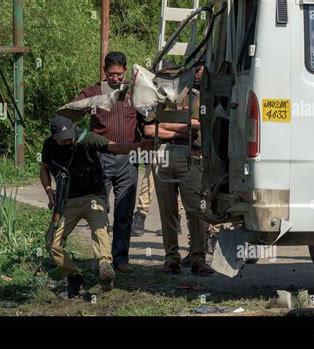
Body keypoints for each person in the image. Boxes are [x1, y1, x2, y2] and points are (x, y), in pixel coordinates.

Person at [40, 116, 152, 298]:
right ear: (54, 138)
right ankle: (74, 277)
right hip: (67, 201)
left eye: (70, 136)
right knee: (53, 243)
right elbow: (44, 169)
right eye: (64, 139)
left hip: (93, 197)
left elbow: (115, 147)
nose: (69, 140)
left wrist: (139, 146)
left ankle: (104, 267)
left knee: (100, 230)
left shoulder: (87, 138)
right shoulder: (49, 146)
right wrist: (48, 190)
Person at [71, 51, 144, 273]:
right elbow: (71, 109)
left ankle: (120, 259)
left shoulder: (134, 93)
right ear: (105, 72)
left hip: (128, 160)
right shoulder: (95, 91)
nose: (115, 78)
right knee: (99, 210)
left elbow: (148, 120)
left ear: (125, 72)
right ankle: (101, 258)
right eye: (111, 74)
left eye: (119, 74)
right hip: (100, 158)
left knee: (124, 211)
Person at [143, 62, 214, 276]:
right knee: (168, 212)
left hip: (190, 157)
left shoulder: (192, 96)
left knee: (196, 211)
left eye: (172, 76)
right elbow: (147, 129)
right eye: (164, 76)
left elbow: (196, 124)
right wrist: (180, 130)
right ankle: (171, 259)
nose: (168, 80)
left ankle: (197, 258)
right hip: (163, 156)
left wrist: (164, 128)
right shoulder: (155, 100)